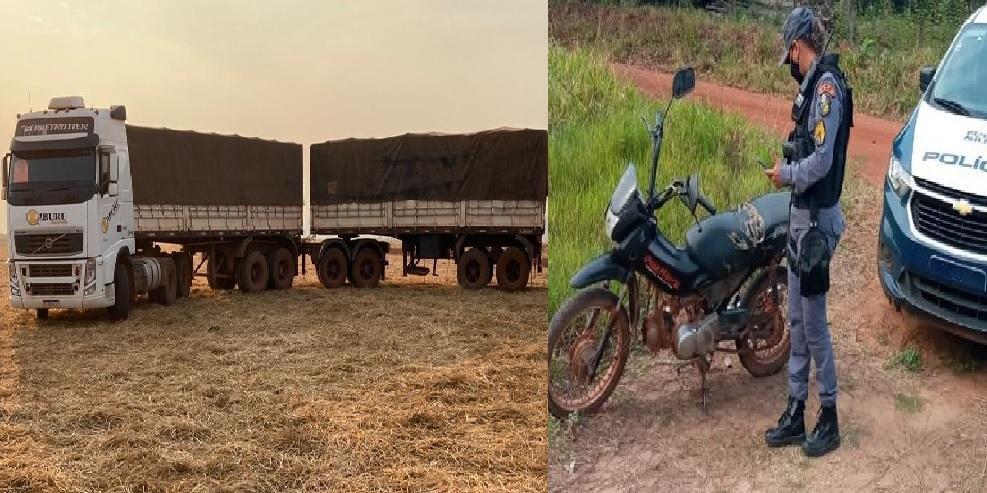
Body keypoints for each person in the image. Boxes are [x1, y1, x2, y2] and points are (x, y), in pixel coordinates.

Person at [763, 6, 854, 458]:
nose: (790, 63)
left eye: (791, 54)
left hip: (817, 223)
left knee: (813, 325)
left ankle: (830, 415)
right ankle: (796, 410)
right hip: (803, 221)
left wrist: (786, 174)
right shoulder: (813, 87)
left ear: (799, 47)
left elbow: (819, 162)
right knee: (797, 322)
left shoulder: (827, 90)